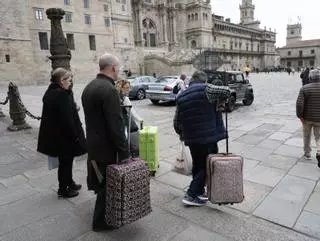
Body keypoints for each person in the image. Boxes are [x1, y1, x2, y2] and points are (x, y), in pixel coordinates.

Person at [81, 53, 130, 232]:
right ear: (113, 68)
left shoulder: (89, 86)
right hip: (105, 147)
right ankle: (100, 222)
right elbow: (116, 124)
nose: (120, 71)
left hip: (94, 143)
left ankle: (106, 216)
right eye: (119, 68)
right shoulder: (109, 90)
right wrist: (124, 152)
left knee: (101, 182)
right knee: (106, 186)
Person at [174, 70, 227, 206]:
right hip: (208, 136)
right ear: (204, 80)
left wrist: (182, 134)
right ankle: (191, 194)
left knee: (198, 164)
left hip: (192, 138)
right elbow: (226, 91)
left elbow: (177, 121)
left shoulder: (182, 95)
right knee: (207, 165)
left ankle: (198, 191)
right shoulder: (207, 90)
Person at [37, 68, 87, 198]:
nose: (70, 83)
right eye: (69, 80)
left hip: (58, 135)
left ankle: (69, 182)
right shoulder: (61, 95)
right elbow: (67, 120)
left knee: (67, 162)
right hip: (64, 137)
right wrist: (75, 136)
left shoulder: (53, 91)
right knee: (65, 163)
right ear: (61, 81)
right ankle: (63, 189)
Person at [296, 69, 320, 167]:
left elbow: (299, 104)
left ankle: (307, 153)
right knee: (319, 137)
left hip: (307, 118)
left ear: (310, 77)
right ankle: (319, 152)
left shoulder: (304, 88)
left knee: (307, 136)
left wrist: (300, 116)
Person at [117, 79, 143, 156]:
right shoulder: (125, 98)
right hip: (123, 122)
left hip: (118, 121)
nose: (128, 90)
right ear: (121, 88)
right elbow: (131, 111)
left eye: (129, 87)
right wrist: (140, 119)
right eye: (126, 88)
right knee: (125, 139)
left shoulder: (118, 96)